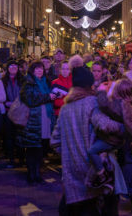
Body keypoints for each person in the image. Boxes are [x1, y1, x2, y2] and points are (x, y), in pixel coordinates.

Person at [51, 56, 127, 214]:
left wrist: (69, 154)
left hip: (71, 171)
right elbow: (104, 124)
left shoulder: (65, 108)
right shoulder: (92, 102)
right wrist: (126, 127)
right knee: (95, 207)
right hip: (91, 169)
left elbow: (55, 141)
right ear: (89, 85)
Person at [88, 78, 132, 188]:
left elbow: (104, 104)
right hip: (124, 140)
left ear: (117, 91)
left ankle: (102, 175)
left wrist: (101, 91)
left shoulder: (119, 104)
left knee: (92, 151)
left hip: (112, 140)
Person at [17, 60, 57, 184]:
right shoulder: (28, 82)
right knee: (31, 148)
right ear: (32, 70)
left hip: (45, 119)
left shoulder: (46, 82)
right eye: (37, 69)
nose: (39, 71)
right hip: (33, 120)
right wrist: (48, 97)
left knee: (40, 148)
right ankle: (31, 174)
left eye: (41, 69)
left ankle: (37, 173)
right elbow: (29, 99)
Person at [2, 60, 25, 167]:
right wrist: (6, 102)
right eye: (11, 65)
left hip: (20, 112)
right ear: (7, 68)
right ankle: (11, 158)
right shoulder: (3, 80)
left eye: (15, 66)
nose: (13, 67)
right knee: (9, 136)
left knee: (20, 135)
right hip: (7, 112)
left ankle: (21, 158)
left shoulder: (22, 80)